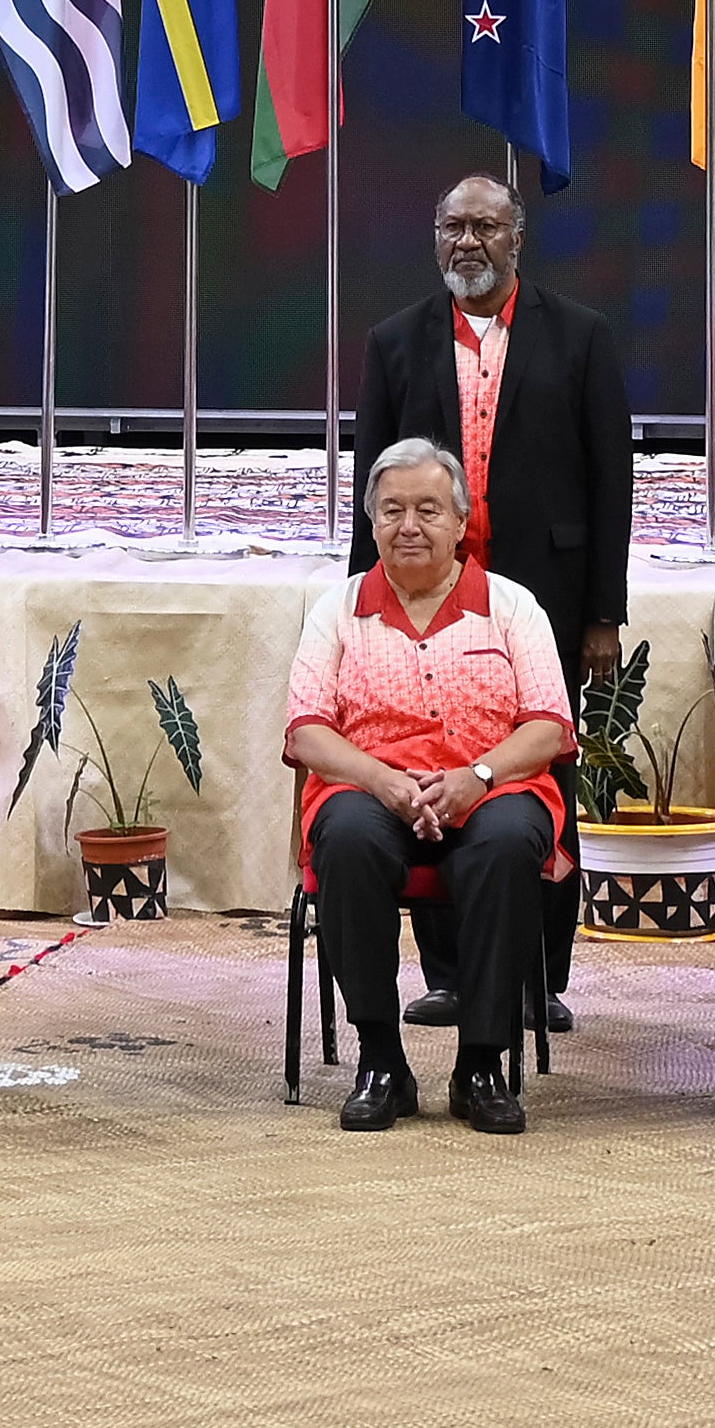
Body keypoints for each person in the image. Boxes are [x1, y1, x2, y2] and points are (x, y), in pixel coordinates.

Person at [341, 171, 632, 1033]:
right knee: (424, 761)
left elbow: (611, 480)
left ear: (517, 238)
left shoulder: (580, 336)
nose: (467, 243)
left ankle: (538, 975)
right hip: (423, 603)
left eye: (485, 228)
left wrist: (603, 614)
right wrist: (365, 606)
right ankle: (451, 972)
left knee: (537, 779)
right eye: (452, 227)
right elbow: (376, 491)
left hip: (542, 599)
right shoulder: (396, 341)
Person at [285, 441, 570, 1137]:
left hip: (491, 786)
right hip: (369, 788)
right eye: (393, 510)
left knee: (506, 847)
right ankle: (381, 1060)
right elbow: (306, 734)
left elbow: (549, 727)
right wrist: (379, 778)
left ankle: (481, 1063)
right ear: (371, 521)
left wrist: (477, 777)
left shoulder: (511, 606)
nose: (409, 525)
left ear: (461, 521)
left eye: (428, 509)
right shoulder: (338, 609)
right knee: (348, 838)